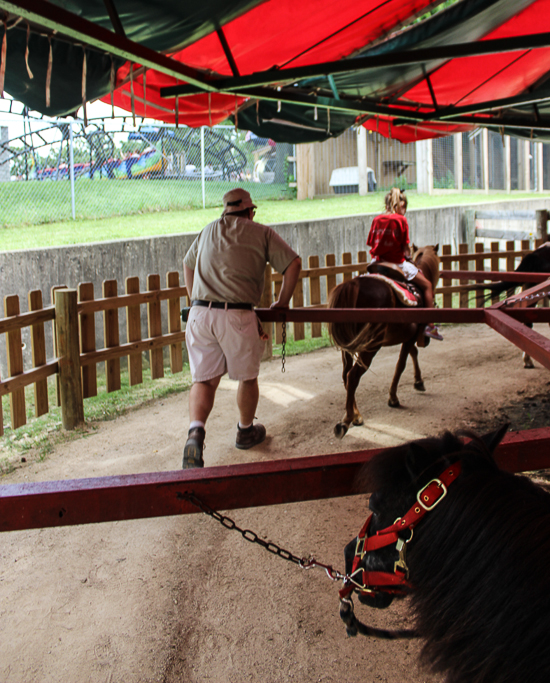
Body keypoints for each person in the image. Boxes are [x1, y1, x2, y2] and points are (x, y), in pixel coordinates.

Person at [182, 188, 301, 469]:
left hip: (199, 314)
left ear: (225, 212)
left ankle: (195, 433)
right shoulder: (261, 232)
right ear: (250, 211)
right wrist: (281, 303)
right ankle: (245, 430)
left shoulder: (208, 230)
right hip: (236, 314)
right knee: (247, 378)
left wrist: (194, 300)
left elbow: (187, 265)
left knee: (204, 381)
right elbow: (293, 264)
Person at [366, 187, 443, 341]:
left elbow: (370, 243)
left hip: (377, 263)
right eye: (404, 207)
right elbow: (405, 249)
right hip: (397, 264)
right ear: (399, 205)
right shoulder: (401, 220)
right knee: (427, 285)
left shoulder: (376, 220)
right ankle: (430, 325)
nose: (405, 211)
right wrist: (408, 257)